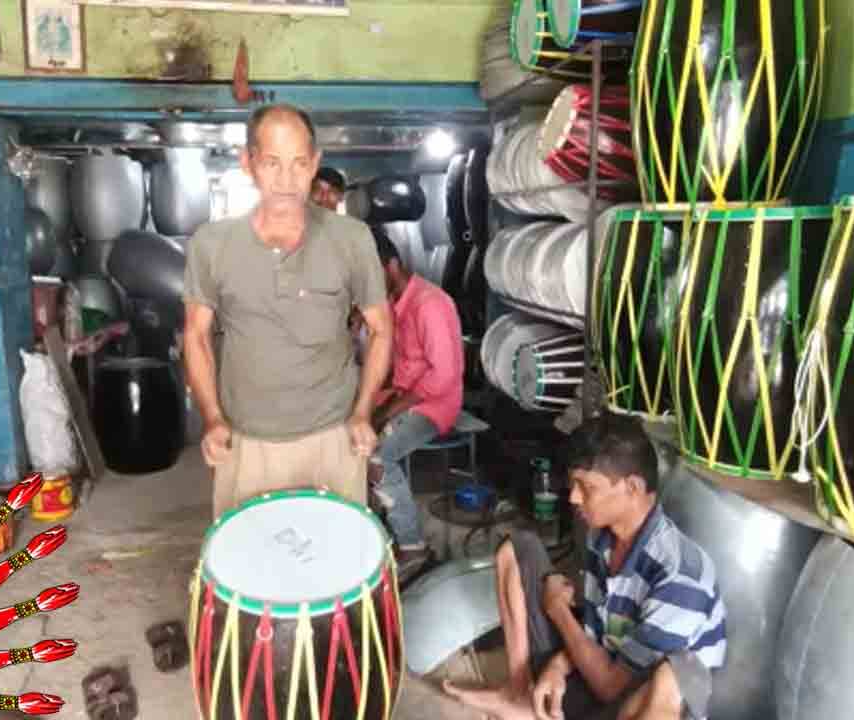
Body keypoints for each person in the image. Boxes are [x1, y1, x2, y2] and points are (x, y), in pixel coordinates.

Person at [182, 104, 394, 519]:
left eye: (299, 163)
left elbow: (381, 329)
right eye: (272, 163)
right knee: (249, 569)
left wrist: (363, 412)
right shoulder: (212, 244)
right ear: (249, 163)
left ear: (315, 164)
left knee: (333, 568)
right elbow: (195, 335)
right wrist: (212, 418)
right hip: (246, 441)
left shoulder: (351, 238)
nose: (286, 179)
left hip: (333, 439)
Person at [444, 415, 726, 720]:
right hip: (599, 674)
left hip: (627, 700)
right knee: (518, 548)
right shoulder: (600, 538)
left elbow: (611, 686)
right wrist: (557, 668)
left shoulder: (680, 576)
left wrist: (558, 610)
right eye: (573, 483)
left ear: (632, 488)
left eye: (586, 486)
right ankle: (520, 693)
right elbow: (596, 635)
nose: (573, 497)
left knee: (665, 685)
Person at [367, 226, 463, 570]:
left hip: (434, 405)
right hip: (405, 396)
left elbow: (443, 378)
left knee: (377, 455)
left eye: (371, 274)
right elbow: (399, 366)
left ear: (391, 265)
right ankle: (376, 529)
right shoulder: (395, 304)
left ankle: (411, 545)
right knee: (350, 430)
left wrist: (388, 410)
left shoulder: (431, 304)